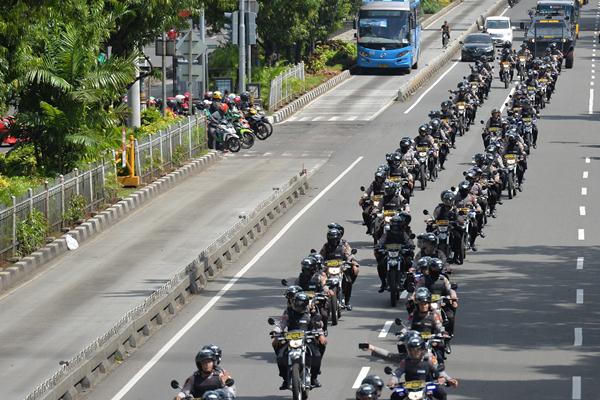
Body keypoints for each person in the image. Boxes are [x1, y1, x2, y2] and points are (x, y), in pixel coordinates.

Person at [362, 336, 458, 400]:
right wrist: (393, 381)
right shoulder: (405, 361)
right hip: (408, 387)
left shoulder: (429, 358)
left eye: (417, 350)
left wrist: (448, 379)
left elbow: (439, 371)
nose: (415, 353)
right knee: (394, 396)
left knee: (442, 394)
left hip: (427, 386)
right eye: (412, 350)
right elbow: (397, 373)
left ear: (422, 350)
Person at [272, 292, 327, 389]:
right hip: (291, 338)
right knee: (279, 354)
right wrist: (275, 332)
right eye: (296, 303)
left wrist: (320, 333)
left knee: (318, 353)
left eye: (300, 304)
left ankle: (314, 377)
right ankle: (285, 379)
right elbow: (282, 324)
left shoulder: (311, 311)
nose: (297, 306)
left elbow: (319, 324)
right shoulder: (288, 311)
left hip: (307, 338)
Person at [320, 228, 359, 310]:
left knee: (349, 281)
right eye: (331, 239)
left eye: (335, 239)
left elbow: (349, 254)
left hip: (341, 267)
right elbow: (321, 256)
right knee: (320, 279)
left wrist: (351, 262)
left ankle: (347, 302)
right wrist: (319, 262)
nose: (333, 241)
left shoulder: (343, 246)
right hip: (328, 269)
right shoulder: (326, 246)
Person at [375, 213, 414, 292]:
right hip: (389, 253)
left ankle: (408, 282)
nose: (395, 225)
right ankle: (383, 283)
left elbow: (409, 241)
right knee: (380, 266)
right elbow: (381, 241)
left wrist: (410, 246)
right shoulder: (387, 233)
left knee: (409, 263)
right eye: (394, 223)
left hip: (400, 253)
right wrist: (379, 246)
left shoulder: (403, 233)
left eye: (397, 223)